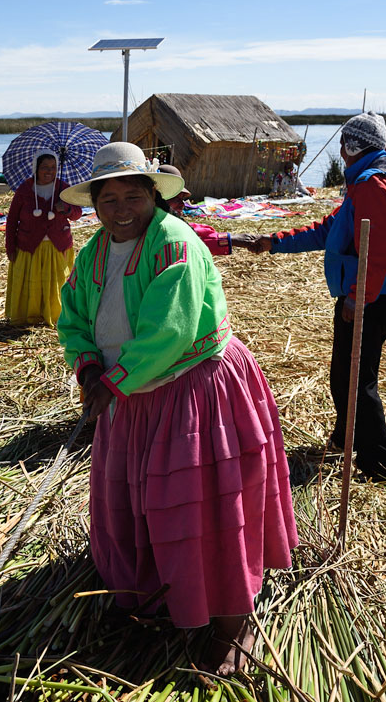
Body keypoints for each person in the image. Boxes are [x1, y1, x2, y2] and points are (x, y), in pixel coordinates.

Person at [57, 142, 298, 676]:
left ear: (153, 197)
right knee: (139, 500)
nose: (121, 209)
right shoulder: (94, 251)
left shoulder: (175, 245)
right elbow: (72, 314)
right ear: (95, 204)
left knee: (202, 505)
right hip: (131, 397)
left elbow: (171, 330)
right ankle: (158, 591)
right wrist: (89, 368)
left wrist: (112, 382)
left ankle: (235, 621)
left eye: (133, 196)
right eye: (110, 198)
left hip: (193, 389)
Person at [238, 112, 386, 482]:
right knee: (346, 376)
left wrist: (356, 298)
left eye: (345, 142)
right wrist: (274, 243)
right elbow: (330, 230)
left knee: (354, 382)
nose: (340, 150)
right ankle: (345, 437)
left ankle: (383, 466)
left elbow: (376, 251)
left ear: (354, 146)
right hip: (372, 295)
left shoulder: (373, 186)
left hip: (372, 298)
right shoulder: (365, 184)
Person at [4, 150, 83, 325]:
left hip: (58, 246)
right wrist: (10, 247)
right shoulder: (25, 190)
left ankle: (57, 315)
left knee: (57, 283)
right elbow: (11, 221)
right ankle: (30, 316)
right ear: (36, 169)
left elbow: (77, 214)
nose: (49, 171)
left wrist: (66, 209)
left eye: (53, 167)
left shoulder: (63, 188)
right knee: (31, 284)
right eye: (45, 167)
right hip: (28, 246)